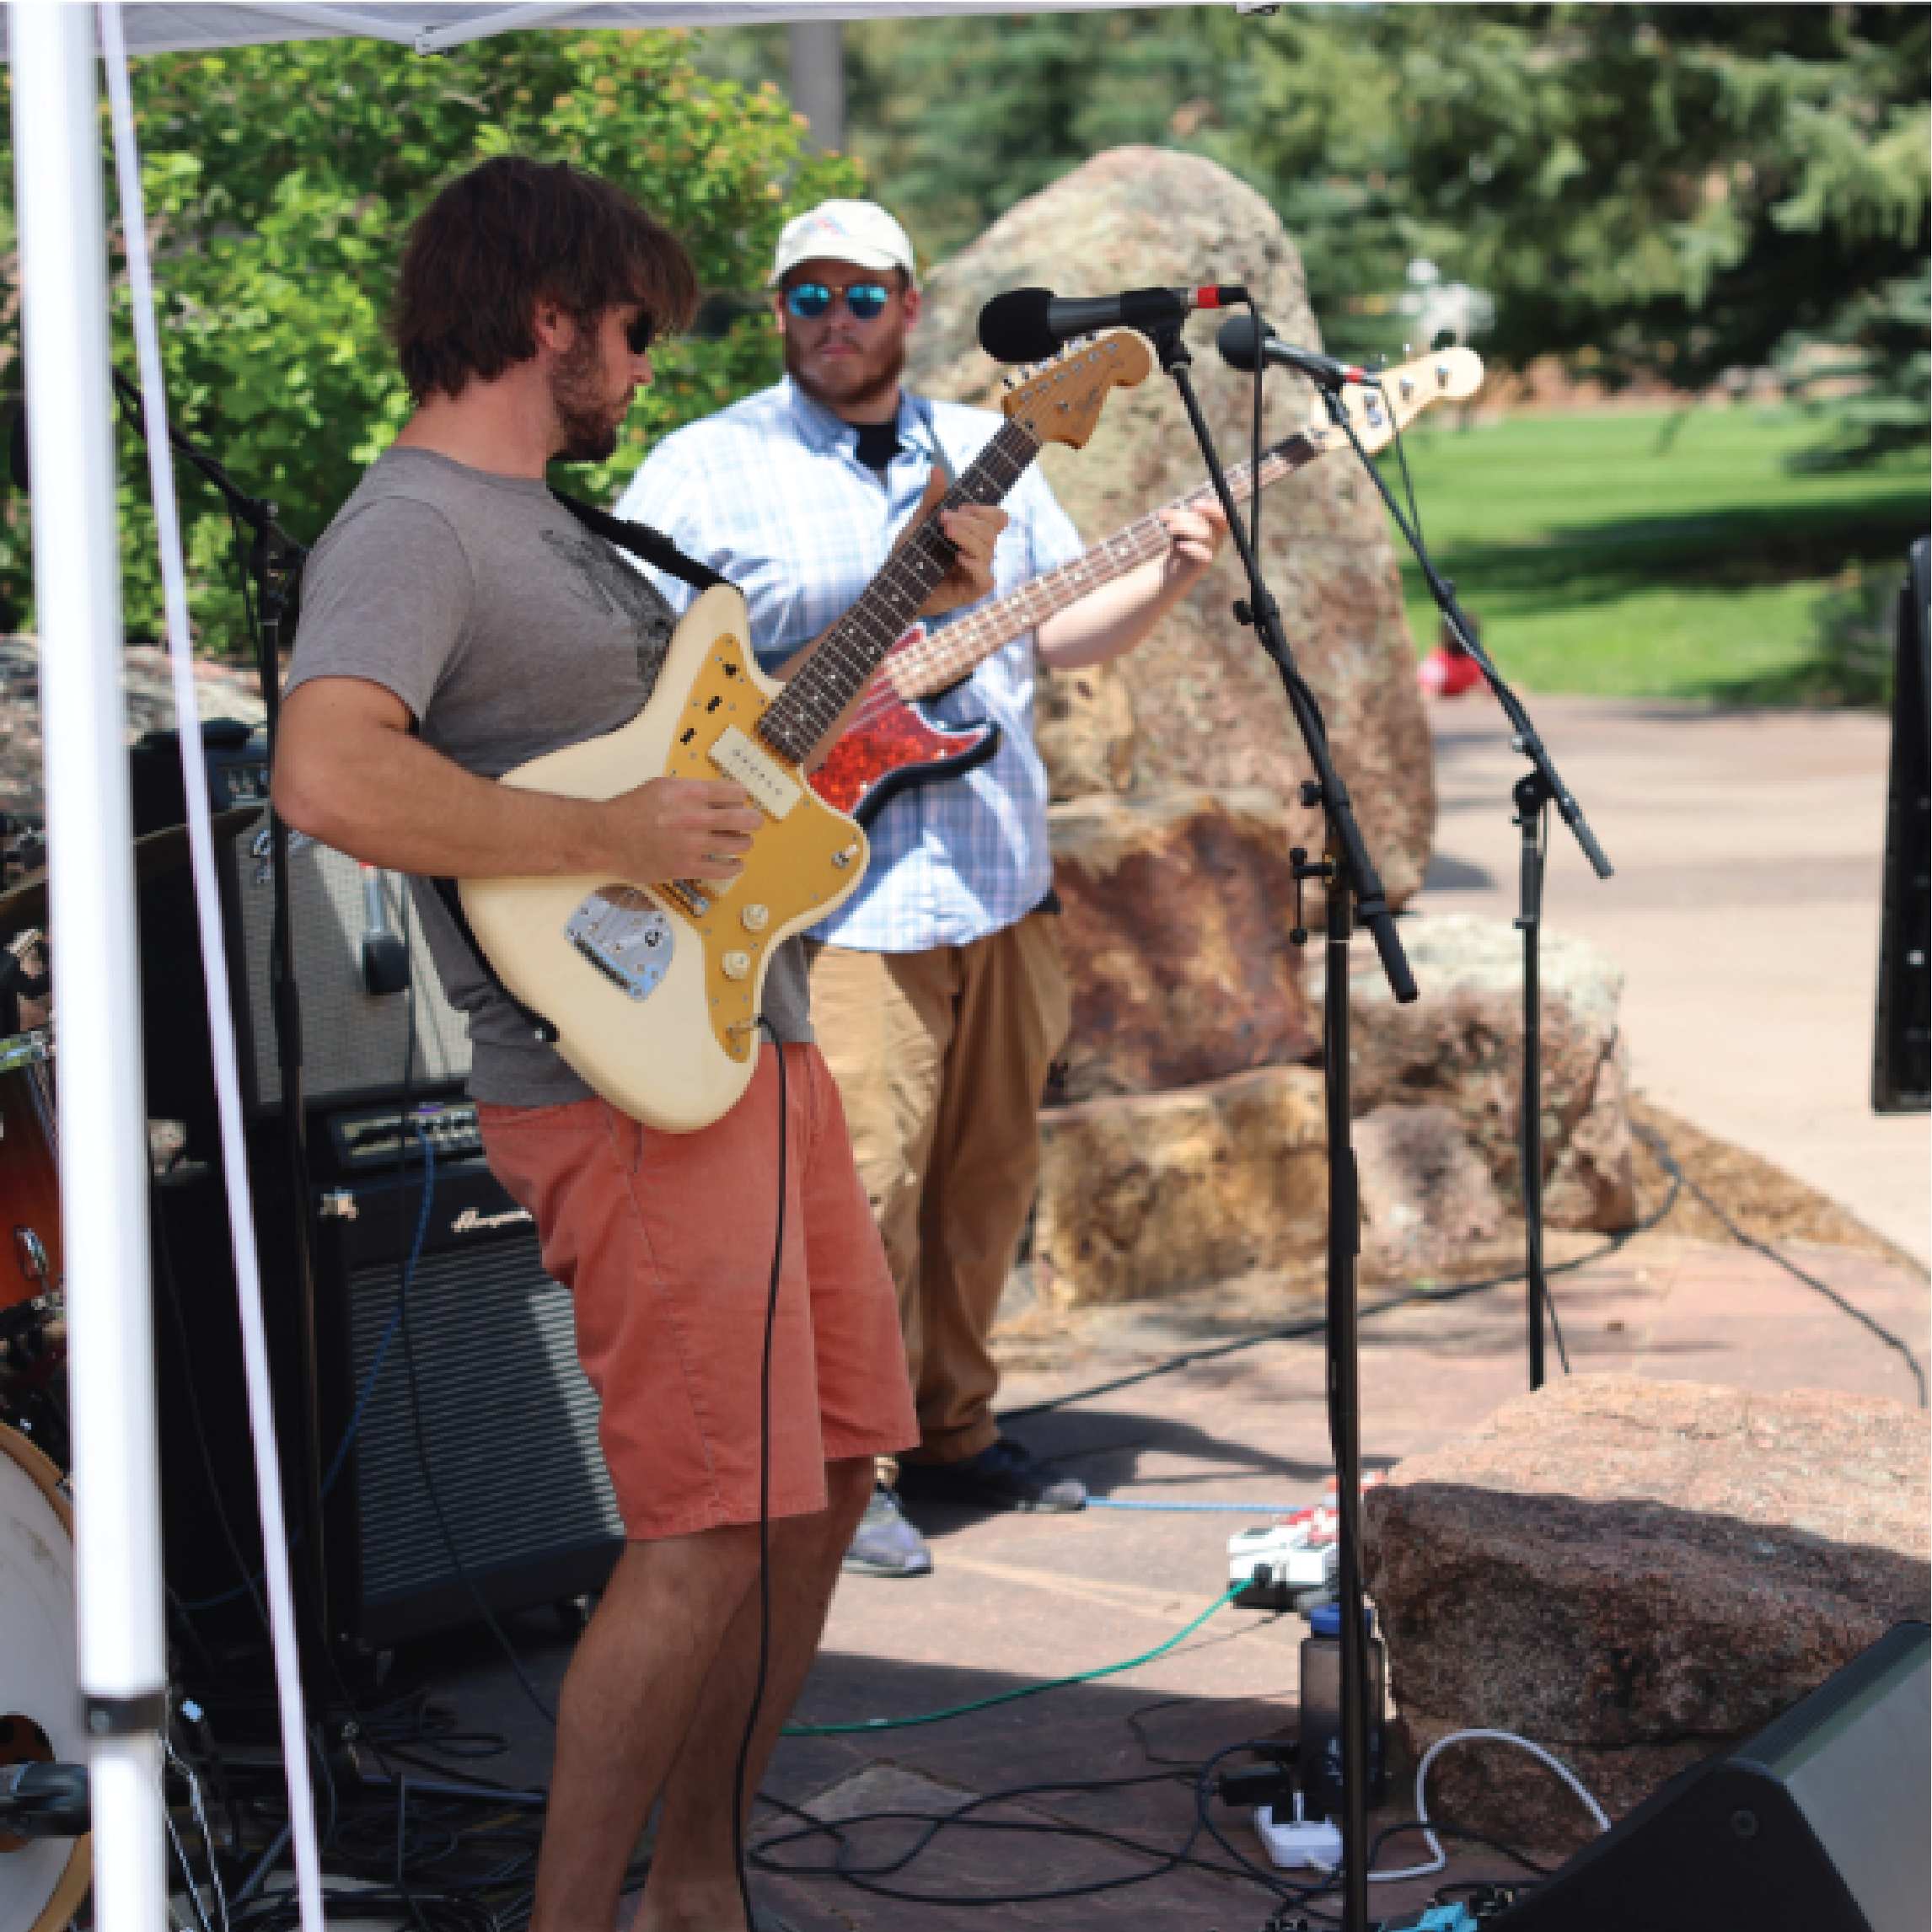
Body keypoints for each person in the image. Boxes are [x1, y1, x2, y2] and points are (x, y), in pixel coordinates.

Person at [271, 158, 1006, 1932]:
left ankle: (697, 1888)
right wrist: (605, 844)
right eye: (627, 331)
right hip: (622, 1096)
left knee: (828, 1477)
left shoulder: (559, 525)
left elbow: (717, 764)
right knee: (704, 1523)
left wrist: (918, 592)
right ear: (550, 321)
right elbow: (329, 769)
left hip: (749, 1047)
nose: (641, 367)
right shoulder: (416, 527)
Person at [617, 201, 1228, 1581]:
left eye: (862, 294)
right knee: (863, 1191)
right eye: (808, 297)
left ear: (910, 304)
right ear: (779, 314)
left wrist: (1165, 586)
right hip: (835, 901)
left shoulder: (983, 446)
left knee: (983, 1181)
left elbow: (1054, 634)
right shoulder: (707, 465)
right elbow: (639, 653)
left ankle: (953, 1424)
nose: (836, 319)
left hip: (998, 876)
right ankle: (850, 1465)